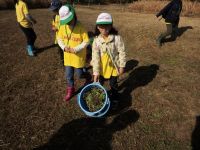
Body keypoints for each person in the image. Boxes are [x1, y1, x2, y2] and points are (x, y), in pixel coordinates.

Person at [92, 13, 126, 109]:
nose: (104, 29)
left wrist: (122, 66)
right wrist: (96, 72)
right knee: (99, 83)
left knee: (113, 84)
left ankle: (115, 99)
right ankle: (97, 99)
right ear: (98, 27)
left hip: (113, 67)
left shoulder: (117, 38)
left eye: (107, 26)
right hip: (102, 67)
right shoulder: (96, 40)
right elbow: (95, 57)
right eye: (101, 27)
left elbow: (122, 52)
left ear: (111, 26)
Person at [57, 5, 90, 101]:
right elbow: (59, 38)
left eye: (68, 20)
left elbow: (86, 41)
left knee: (79, 74)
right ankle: (70, 89)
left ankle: (87, 76)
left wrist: (76, 49)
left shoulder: (80, 26)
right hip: (67, 57)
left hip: (78, 56)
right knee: (68, 75)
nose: (67, 23)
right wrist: (63, 47)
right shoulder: (63, 26)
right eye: (65, 21)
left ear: (73, 15)